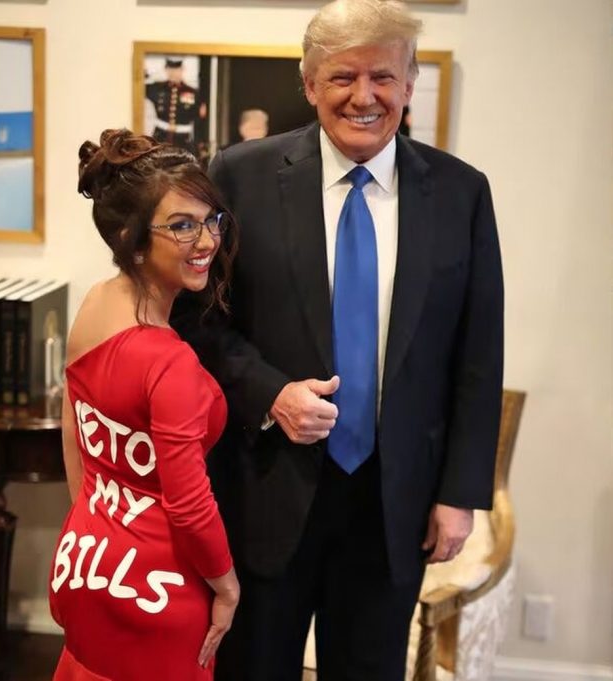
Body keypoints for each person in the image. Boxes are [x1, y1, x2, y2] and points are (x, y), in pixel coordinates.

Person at [172, 0, 504, 679]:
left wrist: (460, 494)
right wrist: (272, 394)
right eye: (343, 77)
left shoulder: (462, 193)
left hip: (395, 504)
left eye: (382, 77)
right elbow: (199, 321)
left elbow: (478, 354)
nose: (364, 96)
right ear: (309, 84)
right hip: (266, 489)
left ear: (409, 83)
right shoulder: (239, 176)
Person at [49, 129, 239, 681]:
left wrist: (95, 524)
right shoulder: (169, 362)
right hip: (160, 589)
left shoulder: (94, 302)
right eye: (182, 225)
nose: (207, 241)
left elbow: (73, 428)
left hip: (85, 564)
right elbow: (189, 504)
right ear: (132, 241)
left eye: (211, 219)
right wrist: (227, 586)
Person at [145, 58, 208, 154]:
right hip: (160, 138)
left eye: (176, 69)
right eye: (170, 69)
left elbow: (199, 120)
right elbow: (138, 84)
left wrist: (200, 142)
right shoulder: (156, 88)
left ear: (182, 69)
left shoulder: (193, 93)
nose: (173, 73)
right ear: (165, 69)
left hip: (183, 140)